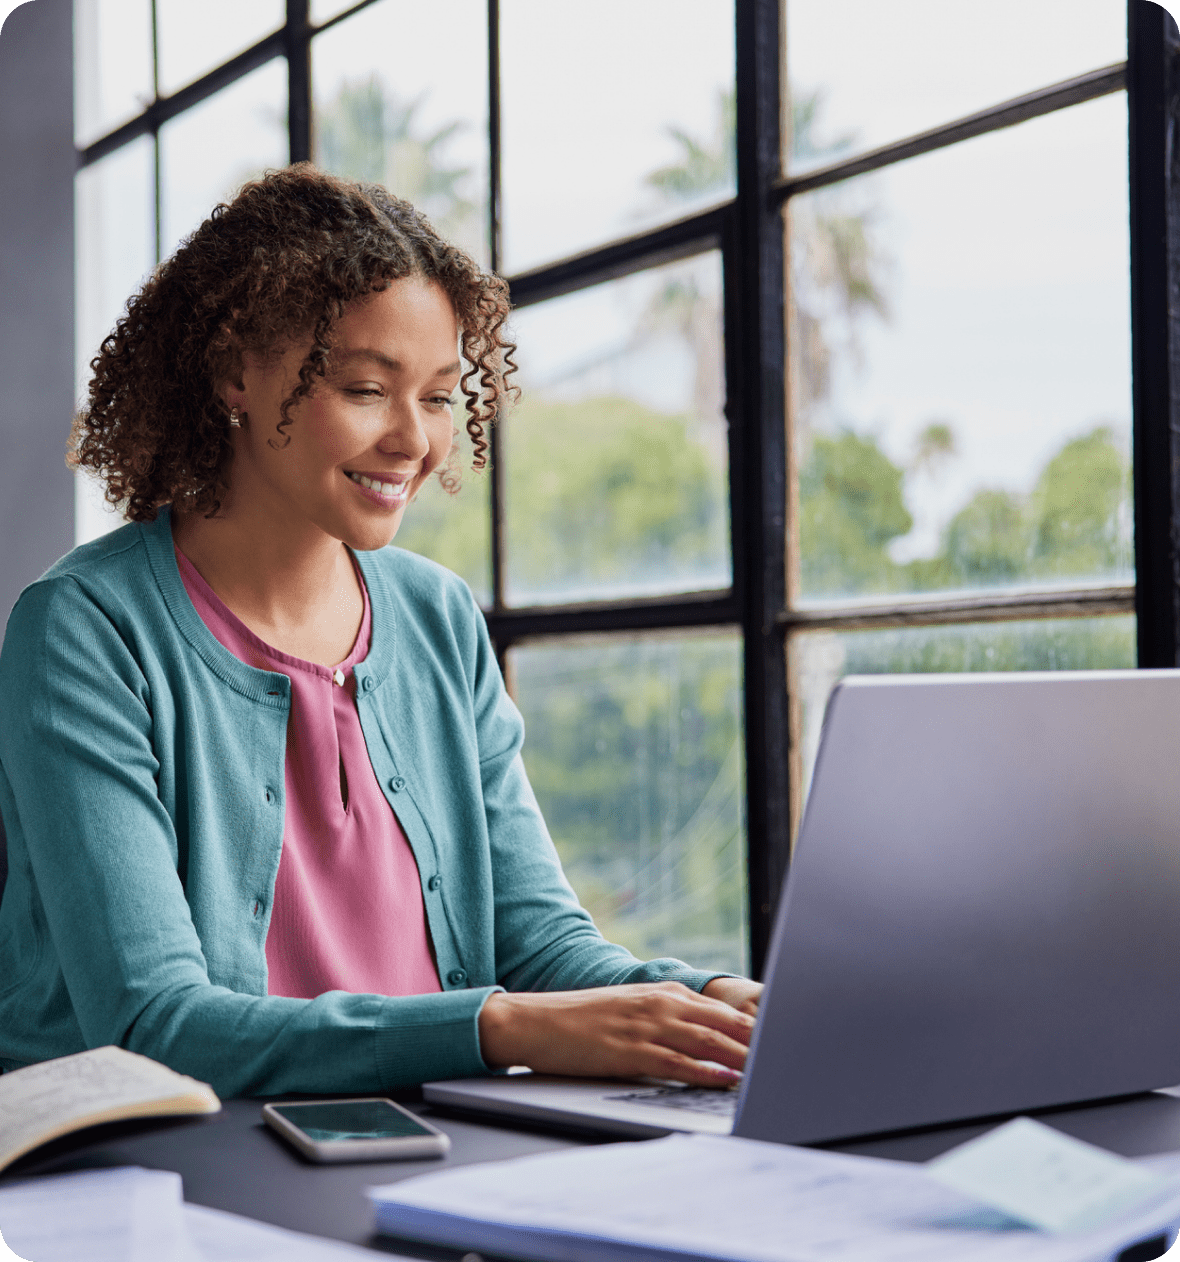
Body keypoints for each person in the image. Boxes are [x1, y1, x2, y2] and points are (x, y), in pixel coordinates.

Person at [0, 165, 760, 1098]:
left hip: (423, 1149)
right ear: (235, 371)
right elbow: (156, 1026)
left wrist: (714, 1002)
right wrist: (496, 1024)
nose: (413, 439)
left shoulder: (437, 616)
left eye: (439, 396)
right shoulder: (85, 629)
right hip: (164, 1178)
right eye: (368, 388)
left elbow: (542, 946)